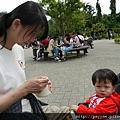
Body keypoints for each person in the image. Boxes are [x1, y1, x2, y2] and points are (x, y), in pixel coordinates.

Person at [0, 1, 70, 120]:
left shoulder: (18, 50)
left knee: (76, 112)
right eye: (32, 33)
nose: (33, 39)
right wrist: (25, 88)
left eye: (36, 35)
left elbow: (15, 85)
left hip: (30, 107)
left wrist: (35, 86)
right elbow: (20, 90)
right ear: (16, 24)